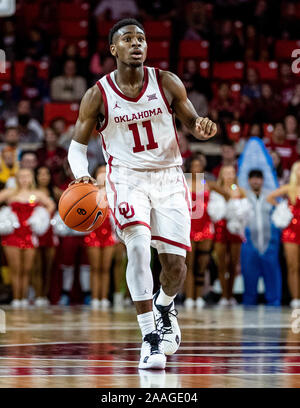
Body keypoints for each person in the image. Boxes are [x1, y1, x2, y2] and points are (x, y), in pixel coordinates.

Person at [67, 18, 217, 370]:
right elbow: (76, 148)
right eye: (128, 39)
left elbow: (191, 119)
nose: (137, 44)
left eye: (142, 39)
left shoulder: (166, 82)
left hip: (168, 177)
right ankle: (149, 336)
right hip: (127, 177)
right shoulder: (97, 94)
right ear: (113, 49)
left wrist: (201, 126)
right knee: (136, 244)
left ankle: (165, 305)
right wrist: (84, 177)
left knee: (176, 267)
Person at [0, 168, 55, 308]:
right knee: (15, 268)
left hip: (29, 235)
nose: (24, 179)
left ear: (32, 178)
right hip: (12, 235)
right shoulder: (10, 193)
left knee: (27, 269)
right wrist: (5, 216)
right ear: (17, 178)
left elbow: (51, 205)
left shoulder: (37, 194)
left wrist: (41, 216)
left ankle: (23, 298)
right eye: (22, 176)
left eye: (27, 176)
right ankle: (16, 298)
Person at [241, 170, 281, 306]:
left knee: (272, 278)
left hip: (269, 243)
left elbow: (279, 216)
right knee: (249, 278)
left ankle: (275, 305)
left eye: (258, 178)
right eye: (253, 178)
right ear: (248, 180)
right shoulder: (243, 196)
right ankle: (248, 307)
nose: (255, 181)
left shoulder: (271, 196)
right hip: (249, 244)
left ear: (262, 180)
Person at [267, 162, 300, 308]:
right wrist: (281, 208)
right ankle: (295, 298)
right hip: (291, 231)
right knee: (293, 266)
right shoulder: (289, 188)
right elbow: (270, 197)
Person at [84, 165, 117, 310]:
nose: (103, 175)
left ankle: (104, 298)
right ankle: (94, 297)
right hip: (93, 234)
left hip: (109, 234)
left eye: (106, 172)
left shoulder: (115, 192)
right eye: (100, 172)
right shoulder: (89, 192)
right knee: (95, 268)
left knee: (105, 268)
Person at [214, 165, 247, 306]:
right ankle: (223, 295)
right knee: (221, 264)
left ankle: (230, 295)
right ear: (221, 175)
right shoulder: (217, 190)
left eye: (231, 173)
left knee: (233, 264)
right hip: (220, 228)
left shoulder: (239, 190)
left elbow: (243, 211)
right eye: (226, 173)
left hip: (234, 229)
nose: (229, 176)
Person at [184, 153, 214, 310]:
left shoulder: (207, 183)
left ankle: (199, 296)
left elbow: (228, 191)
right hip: (189, 226)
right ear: (190, 167)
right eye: (194, 166)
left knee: (202, 264)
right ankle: (189, 296)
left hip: (206, 226)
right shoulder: (184, 183)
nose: (197, 169)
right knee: (189, 263)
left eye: (199, 166)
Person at [33, 166, 61, 306]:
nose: (43, 177)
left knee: (49, 266)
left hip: (51, 231)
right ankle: (38, 295)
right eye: (40, 174)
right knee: (36, 266)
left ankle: (46, 295)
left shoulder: (54, 191)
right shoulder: (32, 192)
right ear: (36, 176)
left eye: (46, 174)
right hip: (36, 233)